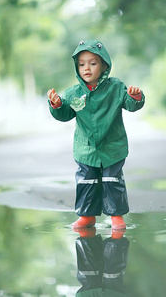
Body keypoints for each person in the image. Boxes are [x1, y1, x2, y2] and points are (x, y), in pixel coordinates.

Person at [47, 40, 145, 230]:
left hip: (112, 146)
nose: (87, 68)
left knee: (112, 180)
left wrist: (135, 97)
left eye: (93, 63)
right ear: (77, 68)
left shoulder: (115, 87)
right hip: (86, 148)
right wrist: (57, 105)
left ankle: (116, 215)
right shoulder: (73, 93)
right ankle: (87, 216)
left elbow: (131, 104)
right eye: (82, 64)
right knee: (86, 181)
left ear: (104, 66)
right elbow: (65, 114)